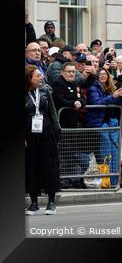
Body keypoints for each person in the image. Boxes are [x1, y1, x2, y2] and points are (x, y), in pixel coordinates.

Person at [25, 65, 62, 215]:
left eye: (41, 75)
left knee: (49, 166)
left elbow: (52, 110)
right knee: (31, 167)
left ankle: (51, 201)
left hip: (47, 131)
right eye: (37, 76)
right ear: (29, 78)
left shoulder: (45, 91)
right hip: (29, 134)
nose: (41, 78)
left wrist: (57, 129)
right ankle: (33, 202)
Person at [50, 62, 85, 128]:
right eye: (69, 71)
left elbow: (81, 97)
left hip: (73, 119)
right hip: (61, 121)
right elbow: (59, 100)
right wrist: (74, 103)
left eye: (73, 72)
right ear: (62, 72)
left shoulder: (74, 83)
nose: (71, 74)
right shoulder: (58, 83)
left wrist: (80, 102)